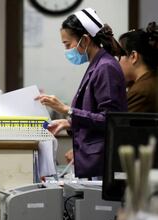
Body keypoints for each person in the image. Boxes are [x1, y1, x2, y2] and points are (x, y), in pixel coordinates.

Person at [35, 8, 127, 178]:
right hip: (95, 161)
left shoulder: (105, 67)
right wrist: (69, 122)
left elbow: (110, 119)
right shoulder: (96, 65)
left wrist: (66, 110)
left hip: (102, 163)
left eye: (67, 44)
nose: (67, 50)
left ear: (84, 40)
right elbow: (94, 114)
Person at [119, 22, 158, 112]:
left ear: (133, 56)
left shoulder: (140, 91)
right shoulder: (149, 81)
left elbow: (119, 124)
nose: (117, 62)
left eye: (120, 56)